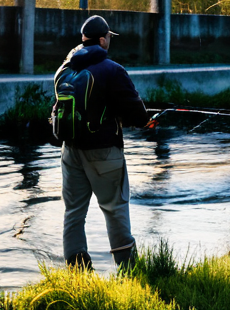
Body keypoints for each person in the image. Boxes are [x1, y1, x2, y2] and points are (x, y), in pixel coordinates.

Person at [56, 15, 149, 272]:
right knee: (115, 208)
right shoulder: (112, 69)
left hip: (70, 151)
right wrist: (146, 121)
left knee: (74, 212)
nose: (110, 40)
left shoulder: (65, 68)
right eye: (109, 37)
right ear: (101, 39)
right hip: (104, 153)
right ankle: (129, 271)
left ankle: (77, 271)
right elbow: (136, 113)